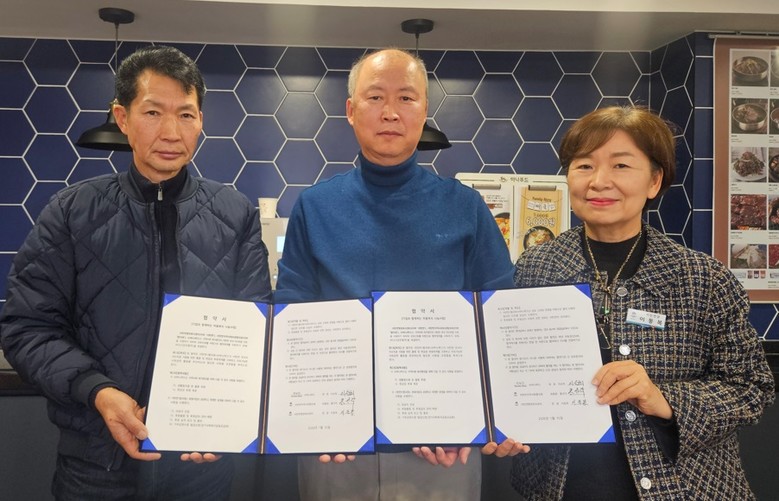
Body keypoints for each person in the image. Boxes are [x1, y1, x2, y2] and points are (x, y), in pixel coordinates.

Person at [0, 45, 271, 500]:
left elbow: (256, 327)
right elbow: (27, 327)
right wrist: (97, 391)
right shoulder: (70, 212)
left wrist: (226, 416)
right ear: (122, 118)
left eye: (186, 115)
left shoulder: (235, 214)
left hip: (200, 468)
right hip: (95, 466)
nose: (171, 132)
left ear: (201, 121)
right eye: (153, 112)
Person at [274, 48, 527, 500]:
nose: (390, 112)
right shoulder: (314, 207)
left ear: (424, 110)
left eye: (406, 98)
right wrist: (311, 416)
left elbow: (500, 318)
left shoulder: (465, 207)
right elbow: (291, 315)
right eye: (375, 97)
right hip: (337, 444)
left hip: (444, 446)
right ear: (350, 110)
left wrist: (495, 415)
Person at [511, 105, 775, 499]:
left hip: (685, 488)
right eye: (584, 166)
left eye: (620, 166)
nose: (599, 181)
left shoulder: (704, 279)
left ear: (654, 181)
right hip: (561, 487)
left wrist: (662, 399)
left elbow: (751, 388)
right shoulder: (535, 269)